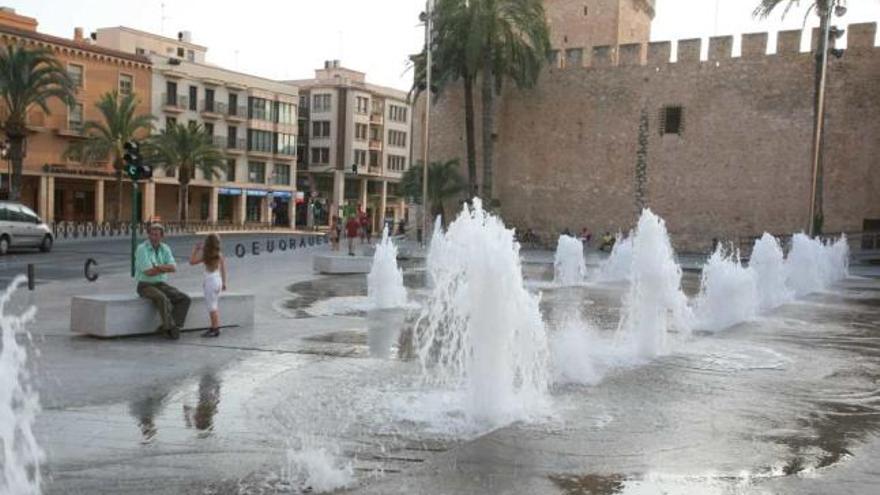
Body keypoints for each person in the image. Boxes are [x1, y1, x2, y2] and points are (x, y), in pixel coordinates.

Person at [135, 223, 191, 340]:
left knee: (184, 298)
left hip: (161, 284)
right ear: (148, 235)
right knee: (162, 298)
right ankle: (170, 329)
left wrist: (158, 267)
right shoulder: (142, 249)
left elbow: (174, 267)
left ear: (162, 236)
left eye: (157, 235)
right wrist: (165, 268)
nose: (154, 237)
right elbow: (148, 272)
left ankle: (171, 326)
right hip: (145, 285)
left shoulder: (165, 248)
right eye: (152, 234)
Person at [189, 233, 228, 338]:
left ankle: (215, 329)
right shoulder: (219, 254)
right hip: (218, 280)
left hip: (210, 281)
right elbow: (223, 269)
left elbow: (191, 262)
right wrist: (224, 283)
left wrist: (196, 249)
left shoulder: (206, 255)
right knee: (214, 305)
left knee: (212, 307)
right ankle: (214, 326)